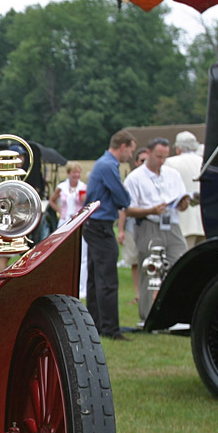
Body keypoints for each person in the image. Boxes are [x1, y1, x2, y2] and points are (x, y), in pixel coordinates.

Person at [124, 137, 190, 322]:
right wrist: (151, 210)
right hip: (149, 224)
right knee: (149, 269)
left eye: (164, 157)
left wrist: (183, 203)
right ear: (149, 153)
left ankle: (176, 313)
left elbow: (180, 199)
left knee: (180, 264)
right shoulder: (135, 178)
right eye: (158, 156)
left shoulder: (172, 174)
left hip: (172, 224)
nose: (162, 161)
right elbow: (128, 209)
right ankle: (147, 316)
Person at [83, 130, 136, 341]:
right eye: (131, 150)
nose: (131, 156)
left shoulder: (103, 164)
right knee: (107, 280)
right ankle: (111, 329)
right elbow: (123, 198)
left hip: (94, 225)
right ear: (122, 146)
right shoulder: (108, 166)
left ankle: (95, 324)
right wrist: (123, 197)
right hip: (101, 227)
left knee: (96, 279)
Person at [49, 161, 88, 298]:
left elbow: (87, 203)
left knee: (83, 254)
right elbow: (52, 200)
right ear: (68, 173)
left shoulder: (83, 187)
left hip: (79, 221)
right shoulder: (62, 187)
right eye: (74, 172)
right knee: (63, 253)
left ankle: (82, 287)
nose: (76, 175)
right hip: (65, 222)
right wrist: (59, 210)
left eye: (78, 172)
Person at [117, 148, 148, 304]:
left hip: (148, 226)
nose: (144, 163)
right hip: (131, 226)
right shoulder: (131, 179)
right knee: (134, 261)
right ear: (136, 162)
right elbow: (123, 208)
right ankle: (138, 294)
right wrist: (121, 230)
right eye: (142, 160)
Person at [165, 131, 205, 248]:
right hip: (203, 220)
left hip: (183, 222)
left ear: (178, 148)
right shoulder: (204, 161)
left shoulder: (171, 163)